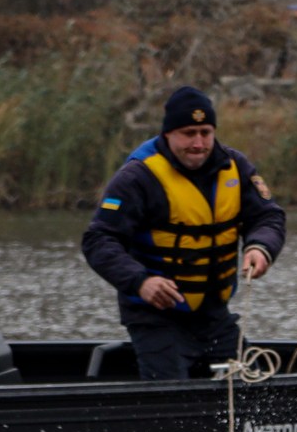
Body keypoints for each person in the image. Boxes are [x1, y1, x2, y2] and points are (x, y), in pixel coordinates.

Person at [80, 86, 286, 380]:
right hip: (155, 317)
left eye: (205, 132)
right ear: (168, 134)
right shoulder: (137, 177)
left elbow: (268, 216)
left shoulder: (236, 167)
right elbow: (98, 240)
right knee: (170, 390)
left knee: (251, 385)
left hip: (214, 314)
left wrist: (260, 247)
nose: (199, 142)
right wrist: (141, 282)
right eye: (189, 133)